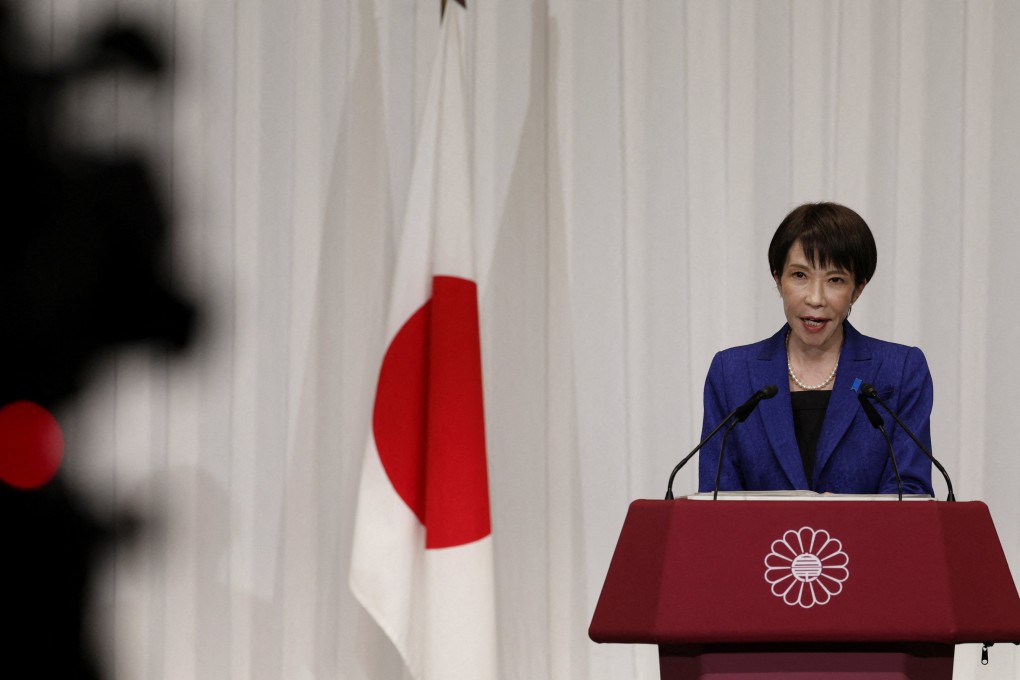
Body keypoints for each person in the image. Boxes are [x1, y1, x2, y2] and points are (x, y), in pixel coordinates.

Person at [697, 202, 934, 496]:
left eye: (835, 280)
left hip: (866, 542)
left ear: (857, 289)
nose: (815, 298)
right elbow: (717, 498)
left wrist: (842, 519)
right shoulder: (731, 372)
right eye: (799, 276)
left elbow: (911, 492)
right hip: (759, 543)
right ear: (777, 279)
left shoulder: (900, 369)